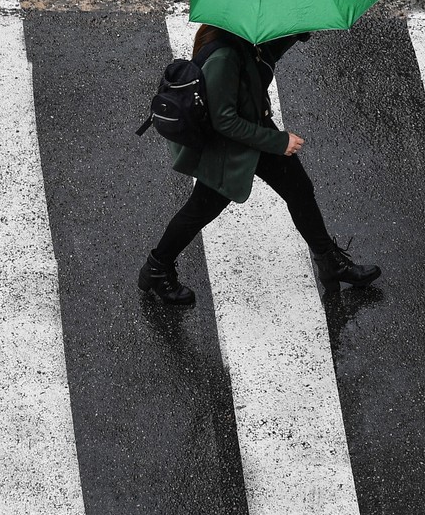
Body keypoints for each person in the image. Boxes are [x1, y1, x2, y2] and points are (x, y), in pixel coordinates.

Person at [139, 24, 381, 305]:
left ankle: (330, 262)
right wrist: (278, 142)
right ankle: (157, 268)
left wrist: (293, 31)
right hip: (231, 149)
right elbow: (224, 120)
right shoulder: (225, 56)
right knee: (200, 210)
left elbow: (263, 60)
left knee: (299, 189)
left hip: (253, 132)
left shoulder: (243, 41)